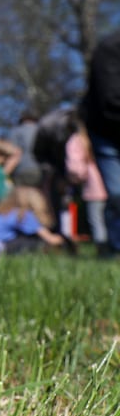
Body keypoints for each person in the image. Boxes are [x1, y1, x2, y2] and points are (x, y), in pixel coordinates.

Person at [82, 30, 120, 258]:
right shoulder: (110, 49)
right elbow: (111, 100)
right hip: (107, 132)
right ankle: (115, 248)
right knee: (117, 194)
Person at [0, 186, 65, 256]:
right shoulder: (23, 214)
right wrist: (65, 239)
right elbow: (51, 239)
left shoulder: (2, 213)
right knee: (38, 243)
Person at [65, 126, 108, 254]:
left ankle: (103, 250)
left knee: (97, 219)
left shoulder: (78, 140)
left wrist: (76, 179)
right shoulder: (105, 136)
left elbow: (75, 167)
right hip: (110, 183)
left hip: (94, 186)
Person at [7, 111, 42, 188]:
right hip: (40, 170)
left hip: (21, 169)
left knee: (21, 197)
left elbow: (11, 152)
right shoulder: (41, 131)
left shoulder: (15, 132)